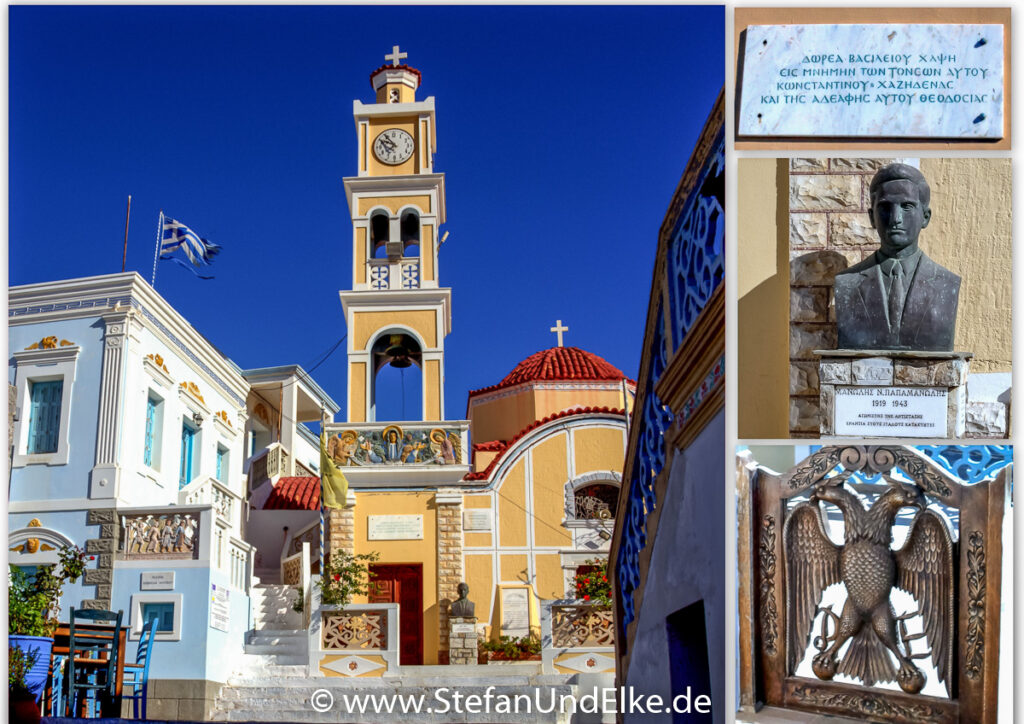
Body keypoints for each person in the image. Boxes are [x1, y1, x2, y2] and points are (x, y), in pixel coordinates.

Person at [833, 163, 960, 351]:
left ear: (925, 217)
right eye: (885, 207)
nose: (895, 218)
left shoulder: (947, 283)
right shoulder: (846, 283)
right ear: (872, 217)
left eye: (907, 206)